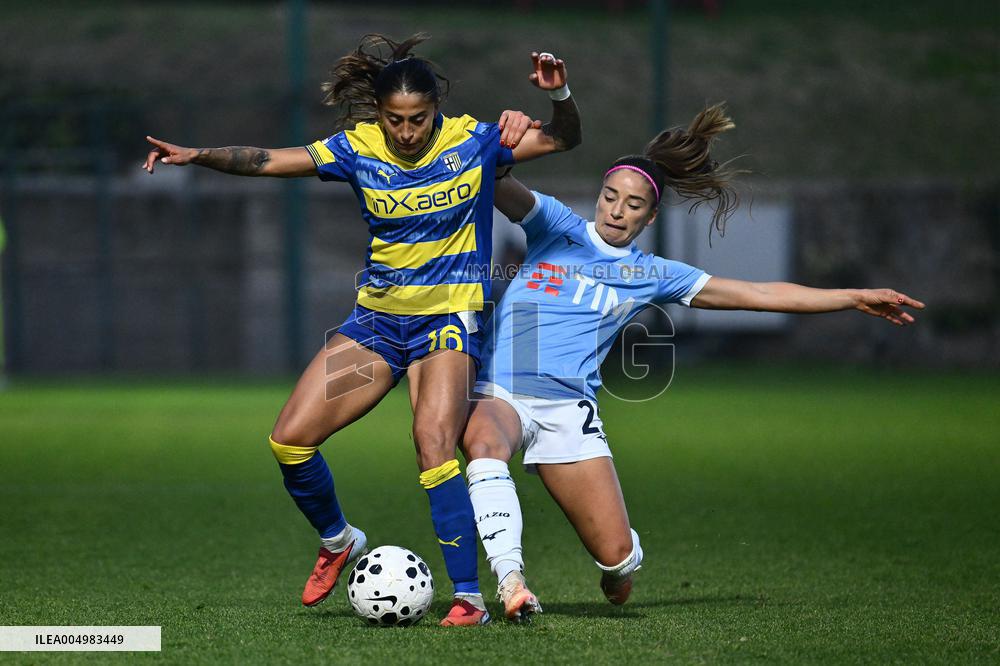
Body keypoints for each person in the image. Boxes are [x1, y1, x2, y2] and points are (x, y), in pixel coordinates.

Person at [142, 34, 581, 626]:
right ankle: (338, 540)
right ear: (379, 114)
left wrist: (561, 97)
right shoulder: (357, 148)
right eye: (394, 120)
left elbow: (566, 137)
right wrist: (197, 156)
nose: (406, 132)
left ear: (436, 109)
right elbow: (272, 160)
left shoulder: (475, 141)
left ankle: (470, 598)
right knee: (289, 441)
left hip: (448, 321)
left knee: (432, 442)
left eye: (418, 119)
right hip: (376, 323)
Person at [461, 103, 925, 621]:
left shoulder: (652, 272)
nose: (616, 210)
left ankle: (622, 560)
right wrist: (511, 132)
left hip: (568, 410)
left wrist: (852, 296)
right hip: (503, 390)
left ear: (650, 216)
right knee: (481, 442)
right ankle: (512, 582)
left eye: (633, 204)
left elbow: (756, 292)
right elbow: (490, 175)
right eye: (610, 196)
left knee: (614, 561)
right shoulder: (557, 227)